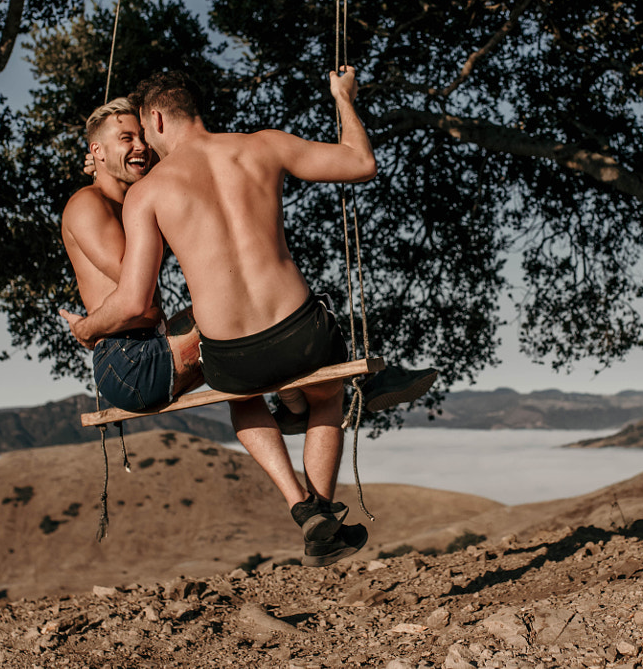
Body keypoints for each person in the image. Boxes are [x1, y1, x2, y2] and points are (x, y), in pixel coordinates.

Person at [62, 66, 427, 566]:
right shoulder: (263, 144)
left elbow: (132, 300)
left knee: (241, 394)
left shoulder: (149, 194)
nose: (145, 148)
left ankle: (303, 506)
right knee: (328, 393)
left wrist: (84, 327)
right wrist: (343, 97)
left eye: (142, 133)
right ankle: (319, 498)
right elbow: (361, 163)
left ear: (156, 119)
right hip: (302, 334)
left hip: (233, 356)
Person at [60, 97, 203, 413]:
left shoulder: (131, 207)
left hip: (146, 349)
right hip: (129, 361)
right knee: (232, 316)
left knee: (240, 313)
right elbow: (137, 291)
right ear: (97, 151)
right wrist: (86, 329)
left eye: (143, 137)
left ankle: (293, 409)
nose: (141, 145)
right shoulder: (88, 204)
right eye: (127, 138)